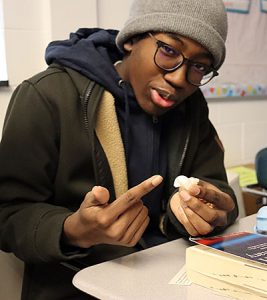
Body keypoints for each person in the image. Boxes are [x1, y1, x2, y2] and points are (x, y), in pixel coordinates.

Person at [0, 0, 238, 299]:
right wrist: (73, 230)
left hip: (171, 282)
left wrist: (207, 211)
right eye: (168, 51)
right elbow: (9, 213)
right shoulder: (48, 96)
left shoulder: (191, 108)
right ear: (132, 40)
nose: (179, 78)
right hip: (76, 286)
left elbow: (217, 191)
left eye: (199, 66)